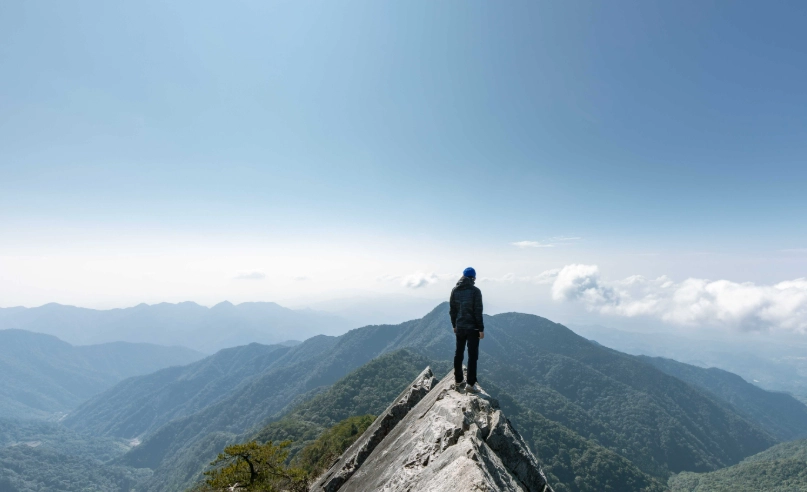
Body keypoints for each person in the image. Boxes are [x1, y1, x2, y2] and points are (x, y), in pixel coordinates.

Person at [449, 267, 484, 393]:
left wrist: (454, 325)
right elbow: (478, 311)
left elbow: (452, 310)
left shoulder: (455, 290)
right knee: (472, 356)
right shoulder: (475, 291)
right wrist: (481, 329)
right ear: (473, 278)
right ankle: (470, 383)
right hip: (473, 328)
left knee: (458, 353)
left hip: (460, 327)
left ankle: (458, 380)